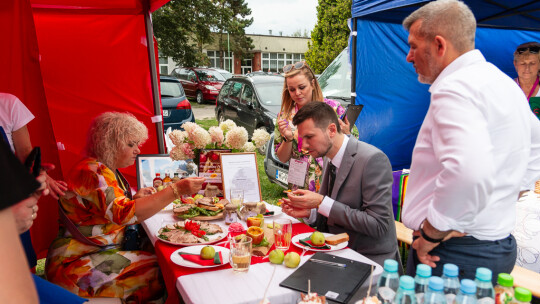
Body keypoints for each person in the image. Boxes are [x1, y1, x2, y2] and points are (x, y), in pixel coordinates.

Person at [401, 0, 540, 281]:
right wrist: (492, 204)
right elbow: (534, 151)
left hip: (450, 253)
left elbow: (466, 172)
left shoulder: (454, 88)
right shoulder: (501, 83)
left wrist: (431, 233)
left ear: (440, 45)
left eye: (414, 46)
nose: (409, 56)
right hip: (490, 246)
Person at [45, 112, 205, 303]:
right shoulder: (93, 172)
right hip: (75, 264)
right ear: (109, 143)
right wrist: (177, 189)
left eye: (137, 144)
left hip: (97, 252)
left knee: (163, 256)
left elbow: (110, 207)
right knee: (162, 270)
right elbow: (124, 215)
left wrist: (135, 198)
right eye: (131, 144)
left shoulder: (104, 169)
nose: (137, 150)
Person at [280, 102, 401, 268]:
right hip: (338, 253)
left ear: (331, 130)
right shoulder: (331, 156)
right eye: (302, 139)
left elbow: (378, 225)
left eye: (309, 137)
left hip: (369, 261)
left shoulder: (372, 160)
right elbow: (335, 211)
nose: (304, 146)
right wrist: (310, 212)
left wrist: (321, 202)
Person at [0, 92, 68, 268]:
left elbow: (25, 155)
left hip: (8, 196)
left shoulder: (7, 103)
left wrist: (39, 174)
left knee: (19, 263)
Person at [274, 61, 351, 192]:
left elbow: (352, 147)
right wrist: (287, 139)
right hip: (298, 183)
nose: (297, 93)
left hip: (329, 178)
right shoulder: (285, 116)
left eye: (302, 87)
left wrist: (346, 133)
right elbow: (282, 158)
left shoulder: (333, 108)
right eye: (292, 89)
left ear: (313, 84)